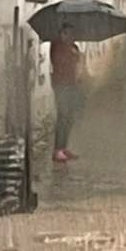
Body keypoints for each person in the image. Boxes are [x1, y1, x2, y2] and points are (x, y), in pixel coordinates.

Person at [49, 24, 84, 163]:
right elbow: (59, 62)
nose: (70, 37)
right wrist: (71, 53)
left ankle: (63, 147)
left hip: (72, 84)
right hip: (61, 85)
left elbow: (76, 63)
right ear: (62, 34)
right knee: (63, 115)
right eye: (67, 34)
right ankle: (57, 150)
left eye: (72, 34)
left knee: (70, 117)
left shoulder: (73, 47)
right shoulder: (57, 46)